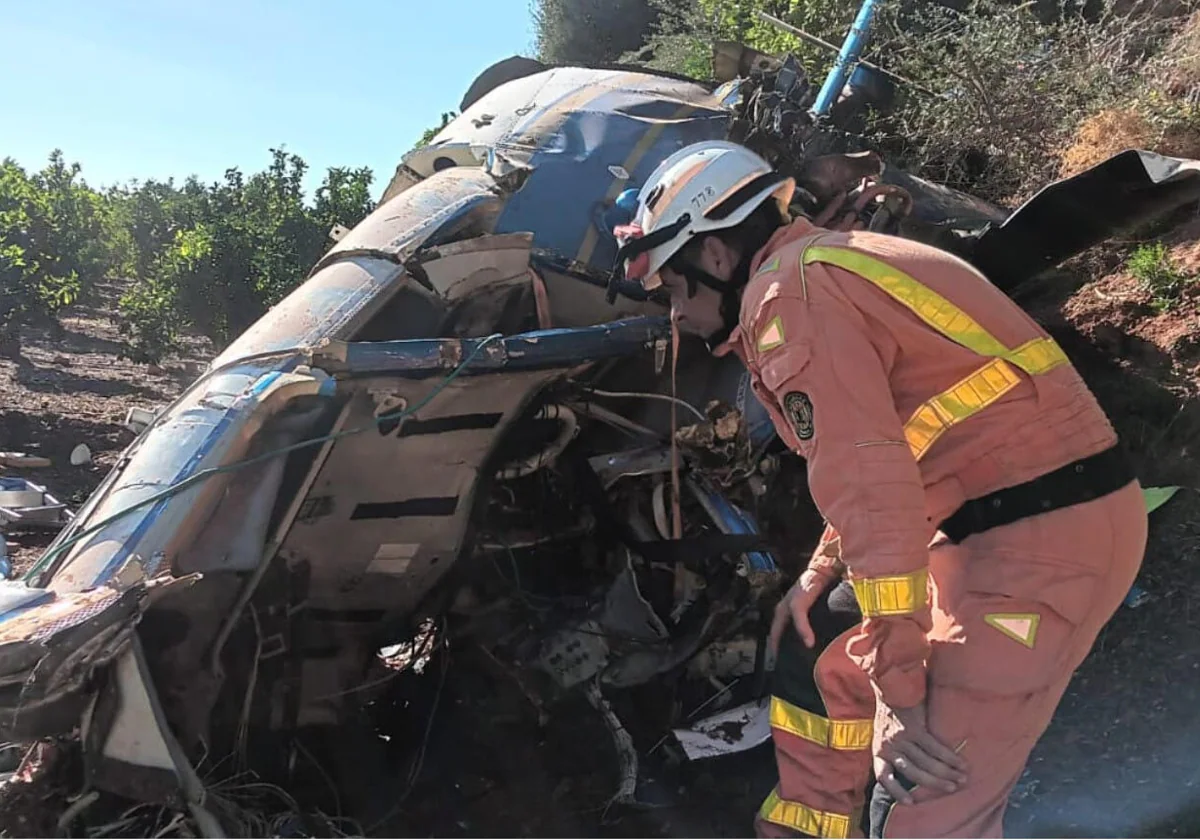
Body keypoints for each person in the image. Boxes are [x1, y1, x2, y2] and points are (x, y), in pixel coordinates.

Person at [610, 140, 1147, 838]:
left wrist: (902, 694)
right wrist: (822, 571)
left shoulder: (787, 302)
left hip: (1036, 552)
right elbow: (880, 460)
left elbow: (873, 492)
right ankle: (807, 827)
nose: (676, 313)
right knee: (816, 630)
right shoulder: (821, 268)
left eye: (675, 288)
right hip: (1004, 524)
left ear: (714, 256)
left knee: (918, 806)